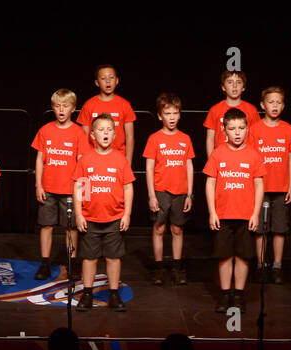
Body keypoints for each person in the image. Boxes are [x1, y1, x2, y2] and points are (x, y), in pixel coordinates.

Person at [205, 108, 265, 313]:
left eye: (241, 128)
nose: (237, 132)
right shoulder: (218, 153)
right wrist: (212, 212)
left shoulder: (254, 155)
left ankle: (239, 294)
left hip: (246, 215)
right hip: (222, 215)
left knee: (243, 256)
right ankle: (225, 294)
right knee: (224, 256)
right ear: (224, 130)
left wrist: (255, 213)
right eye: (232, 128)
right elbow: (210, 183)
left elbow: (259, 186)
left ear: (247, 129)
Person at [72, 115, 134, 312]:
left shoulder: (120, 160)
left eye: (109, 130)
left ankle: (114, 294)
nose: (105, 133)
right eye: (101, 129)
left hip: (114, 218)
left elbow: (127, 188)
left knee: (113, 257)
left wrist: (127, 214)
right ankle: (87, 293)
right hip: (90, 219)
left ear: (115, 134)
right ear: (92, 134)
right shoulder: (86, 160)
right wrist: (80, 214)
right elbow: (80, 187)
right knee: (89, 258)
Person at [142, 93, 195, 286]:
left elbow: (189, 166)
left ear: (180, 115)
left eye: (175, 113)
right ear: (159, 116)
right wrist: (151, 195)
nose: (171, 117)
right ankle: (158, 268)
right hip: (160, 191)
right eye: (167, 113)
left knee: (177, 229)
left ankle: (177, 266)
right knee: (159, 228)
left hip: (181, 192)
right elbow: (149, 168)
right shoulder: (154, 139)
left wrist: (189, 193)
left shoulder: (185, 138)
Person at [32, 88, 84, 280]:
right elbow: (39, 160)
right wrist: (38, 185)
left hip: (70, 189)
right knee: (46, 225)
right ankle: (45, 263)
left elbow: (82, 163)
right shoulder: (45, 130)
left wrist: (80, 192)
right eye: (57, 106)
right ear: (53, 108)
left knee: (71, 228)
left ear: (73, 108)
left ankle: (72, 263)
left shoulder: (78, 132)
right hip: (48, 188)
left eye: (66, 106)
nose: (61, 110)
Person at [251, 87, 291, 283]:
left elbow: (290, 159)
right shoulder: (254, 129)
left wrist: (290, 187)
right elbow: (251, 158)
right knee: (260, 229)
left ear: (284, 105)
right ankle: (261, 265)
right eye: (271, 102)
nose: (275, 106)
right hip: (260, 188)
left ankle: (277, 266)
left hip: (280, 188)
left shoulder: (288, 129)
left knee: (279, 229)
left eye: (279, 102)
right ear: (263, 105)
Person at [76, 64, 136, 167]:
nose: (108, 81)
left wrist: (128, 162)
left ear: (117, 81)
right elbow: (84, 137)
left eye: (111, 77)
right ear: (97, 83)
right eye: (103, 78)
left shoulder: (125, 105)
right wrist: (84, 161)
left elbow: (130, 137)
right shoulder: (89, 105)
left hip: (118, 159)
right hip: (93, 159)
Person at [203, 69, 261, 159]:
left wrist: (254, 159)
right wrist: (211, 161)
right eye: (230, 82)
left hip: (246, 158)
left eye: (238, 82)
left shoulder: (252, 110)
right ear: (223, 87)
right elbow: (210, 139)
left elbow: (257, 137)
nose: (234, 86)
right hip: (221, 158)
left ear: (243, 87)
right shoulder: (215, 110)